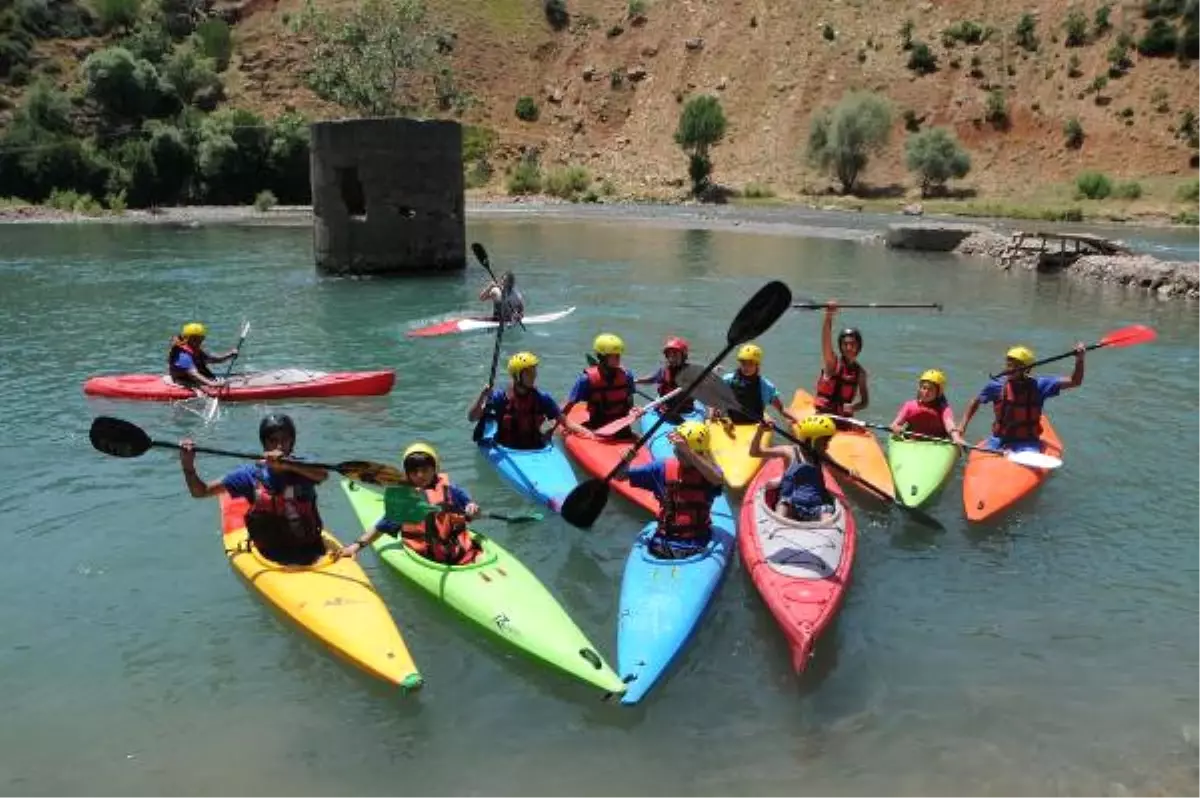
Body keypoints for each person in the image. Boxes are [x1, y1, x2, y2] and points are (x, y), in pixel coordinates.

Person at [180, 413, 330, 566]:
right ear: (265, 444)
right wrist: (188, 466)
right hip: (268, 555)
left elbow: (324, 475)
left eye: (284, 440)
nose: (279, 446)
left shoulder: (304, 467)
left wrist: (287, 465)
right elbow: (200, 492)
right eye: (273, 441)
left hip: (310, 550)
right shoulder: (250, 475)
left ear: (292, 442)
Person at [338, 443, 482, 565]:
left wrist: (474, 511)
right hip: (425, 556)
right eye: (414, 471)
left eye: (425, 470)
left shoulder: (450, 489)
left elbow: (473, 510)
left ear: (435, 469)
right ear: (407, 473)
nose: (420, 475)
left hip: (460, 550)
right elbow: (381, 527)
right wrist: (356, 546)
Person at [614, 421, 725, 560]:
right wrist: (625, 461)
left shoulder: (709, 474)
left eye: (682, 451)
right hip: (661, 543)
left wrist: (688, 452)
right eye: (677, 450)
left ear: (699, 452)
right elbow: (619, 476)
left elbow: (718, 479)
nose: (677, 453)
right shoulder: (661, 467)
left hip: (697, 545)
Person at [959, 343, 1085, 451]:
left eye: (1016, 366)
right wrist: (962, 427)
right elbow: (975, 402)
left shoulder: (1039, 385)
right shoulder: (997, 385)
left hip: (1027, 442)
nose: (1010, 368)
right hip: (999, 439)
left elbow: (1075, 381)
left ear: (1027, 369)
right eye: (1009, 364)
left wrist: (1080, 360)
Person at [468, 351, 595, 449]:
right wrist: (482, 396)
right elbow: (472, 417)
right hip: (507, 448)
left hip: (536, 447)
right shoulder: (500, 397)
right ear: (517, 376)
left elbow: (566, 422)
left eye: (534, 371)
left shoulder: (542, 397)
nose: (534, 376)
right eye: (528, 373)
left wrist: (589, 434)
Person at [748, 415, 837, 523]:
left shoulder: (821, 455)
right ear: (810, 440)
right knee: (783, 506)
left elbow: (838, 468)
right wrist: (760, 431)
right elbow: (755, 452)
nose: (827, 446)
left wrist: (851, 472)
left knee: (827, 513)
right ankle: (776, 526)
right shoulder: (789, 452)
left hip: (816, 506)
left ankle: (826, 532)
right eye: (824, 442)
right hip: (791, 504)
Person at [564, 333, 637, 438]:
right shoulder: (585, 380)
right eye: (614, 355)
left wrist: (634, 411)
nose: (618, 357)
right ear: (602, 357)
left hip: (621, 428)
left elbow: (629, 404)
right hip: (597, 427)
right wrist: (564, 425)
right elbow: (567, 408)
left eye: (619, 354)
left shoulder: (627, 376)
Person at [711, 343, 798, 426]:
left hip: (754, 426)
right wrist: (713, 411)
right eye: (743, 363)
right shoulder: (728, 380)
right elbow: (713, 396)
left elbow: (781, 409)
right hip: (730, 424)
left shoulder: (766, 386)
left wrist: (797, 420)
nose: (746, 367)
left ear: (757, 364)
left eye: (750, 363)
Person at [812, 301, 870, 417]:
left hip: (843, 418)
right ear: (840, 346)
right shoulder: (832, 363)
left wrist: (853, 407)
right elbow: (826, 341)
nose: (848, 347)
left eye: (852, 344)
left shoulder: (861, 373)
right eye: (845, 344)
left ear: (858, 346)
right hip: (823, 416)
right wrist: (829, 316)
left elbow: (865, 402)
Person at [889, 369, 967, 445]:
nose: (926, 392)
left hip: (937, 443)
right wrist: (896, 427)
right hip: (912, 441)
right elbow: (895, 424)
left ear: (938, 393)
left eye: (930, 389)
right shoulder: (909, 406)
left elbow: (949, 424)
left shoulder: (944, 409)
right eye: (924, 388)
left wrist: (956, 437)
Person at [634, 336, 698, 422]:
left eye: (675, 355)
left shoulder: (691, 372)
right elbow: (652, 379)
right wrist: (636, 381)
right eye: (669, 355)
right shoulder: (664, 370)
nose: (672, 359)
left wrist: (712, 408)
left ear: (683, 356)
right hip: (663, 409)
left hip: (685, 411)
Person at [168, 322, 239, 391]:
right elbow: (194, 374)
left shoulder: (196, 350)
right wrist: (212, 384)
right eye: (200, 338)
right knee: (203, 390)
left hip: (193, 376)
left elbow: (214, 360)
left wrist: (230, 355)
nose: (202, 340)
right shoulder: (183, 355)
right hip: (183, 380)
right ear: (191, 338)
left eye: (202, 338)